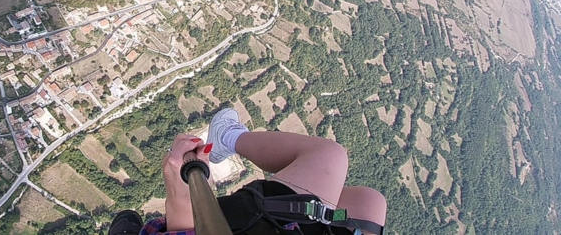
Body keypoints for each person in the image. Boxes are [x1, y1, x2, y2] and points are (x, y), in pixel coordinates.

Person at [110, 108, 387, 235]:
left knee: (328, 157)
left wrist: (181, 192)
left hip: (264, 224)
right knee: (368, 205)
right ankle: (327, 215)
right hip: (312, 224)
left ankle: (228, 137)